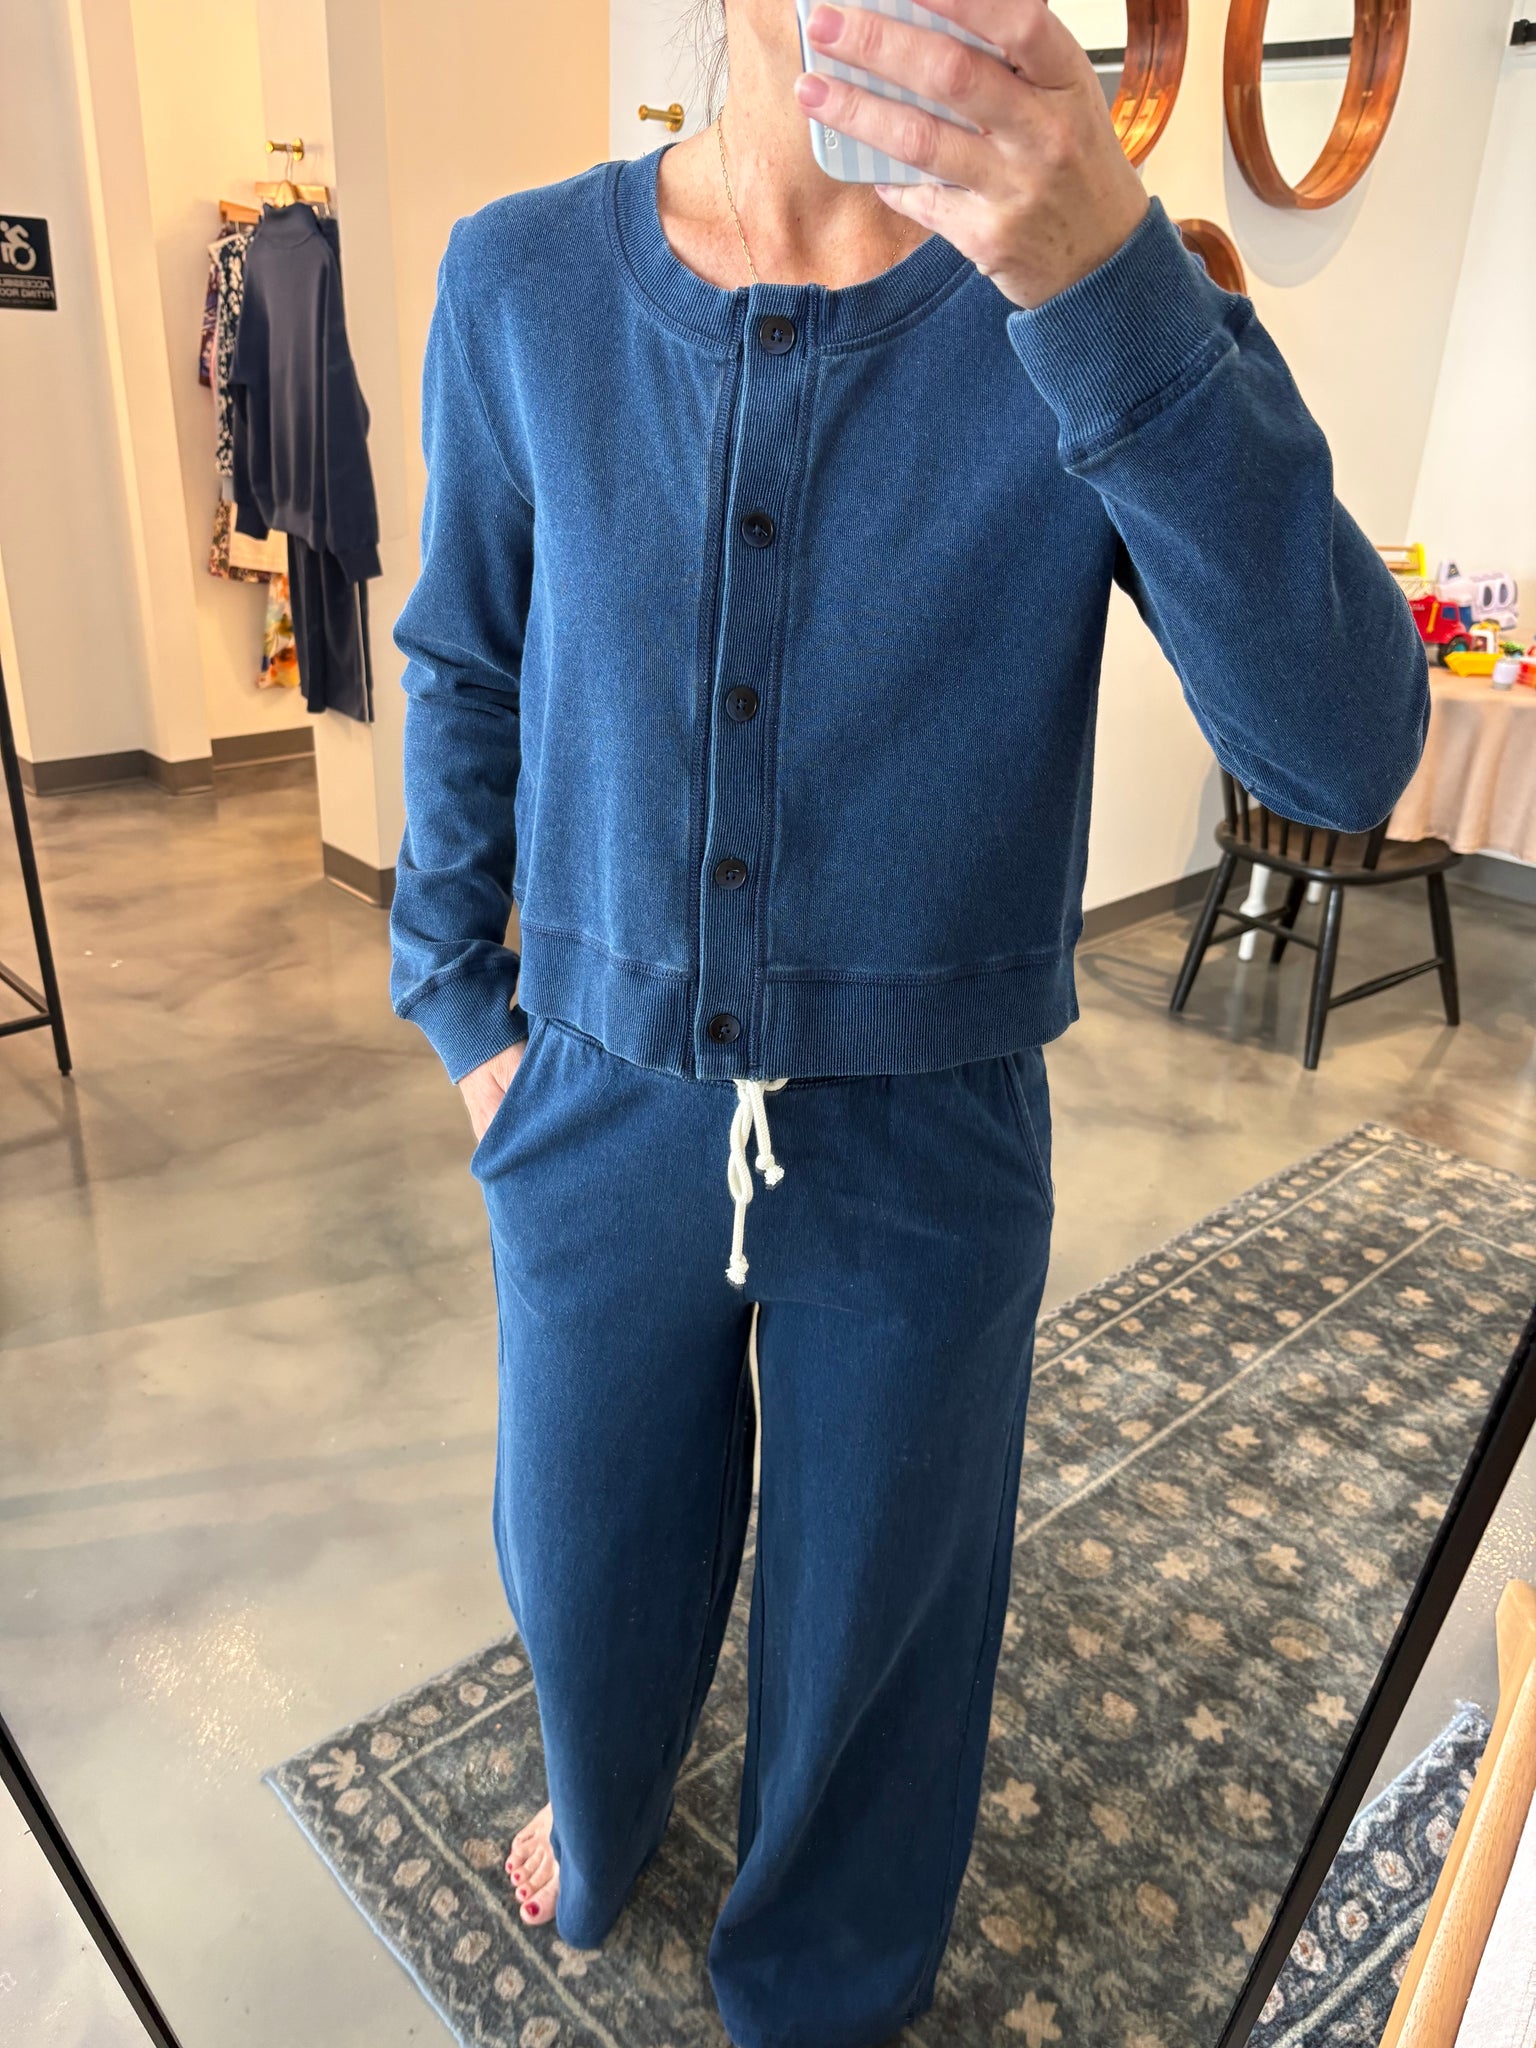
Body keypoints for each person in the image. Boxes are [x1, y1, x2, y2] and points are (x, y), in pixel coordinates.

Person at [388, 2, 1430, 2043]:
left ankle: (817, 1996)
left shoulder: (1093, 293)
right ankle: (602, 1809)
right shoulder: (520, 279)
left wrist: (1106, 283)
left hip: (928, 1135)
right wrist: (463, 1005)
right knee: (582, 1557)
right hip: (589, 1097)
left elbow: (1341, 747)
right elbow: (467, 656)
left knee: (880, 1631)